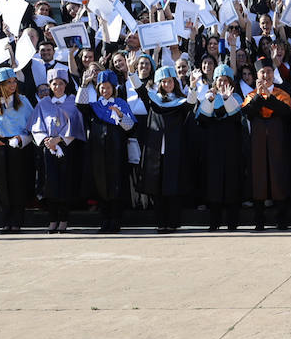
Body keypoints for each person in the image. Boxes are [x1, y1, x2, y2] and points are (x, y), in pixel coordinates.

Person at [78, 69, 136, 233]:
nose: (105, 90)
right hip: (98, 152)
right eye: (102, 87)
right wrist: (84, 84)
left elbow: (130, 127)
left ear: (114, 88)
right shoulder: (95, 106)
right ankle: (105, 219)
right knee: (101, 185)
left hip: (116, 152)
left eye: (108, 87)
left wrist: (119, 114)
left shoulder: (121, 104)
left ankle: (116, 219)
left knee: (116, 185)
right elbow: (80, 106)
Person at [140, 66, 197, 233]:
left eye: (170, 81)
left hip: (174, 150)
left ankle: (173, 222)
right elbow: (141, 92)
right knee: (157, 189)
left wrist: (193, 87)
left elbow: (191, 104)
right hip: (156, 150)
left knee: (173, 188)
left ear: (175, 82)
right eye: (164, 81)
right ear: (159, 83)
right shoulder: (154, 99)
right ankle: (160, 222)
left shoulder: (180, 101)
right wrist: (131, 73)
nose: (167, 84)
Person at [28, 69, 85, 233]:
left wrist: (59, 139)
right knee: (49, 185)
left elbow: (76, 126)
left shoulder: (73, 103)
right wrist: (47, 140)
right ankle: (52, 219)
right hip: (48, 149)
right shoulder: (43, 104)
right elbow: (36, 126)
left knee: (65, 184)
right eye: (54, 83)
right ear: (50, 86)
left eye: (61, 83)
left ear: (65, 85)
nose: (58, 86)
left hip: (66, 148)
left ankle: (64, 219)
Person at [242, 59, 291, 231]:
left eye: (269, 72)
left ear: (274, 74)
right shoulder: (250, 96)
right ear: (257, 75)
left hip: (277, 140)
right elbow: (248, 112)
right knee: (258, 177)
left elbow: (285, 111)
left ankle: (282, 219)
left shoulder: (282, 93)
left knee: (278, 175)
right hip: (257, 142)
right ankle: (259, 220)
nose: (266, 75)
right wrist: (259, 95)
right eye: (262, 72)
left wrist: (268, 96)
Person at [0, 68, 34, 234]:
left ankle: (17, 220)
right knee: (1, 185)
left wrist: (20, 139)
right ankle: (6, 220)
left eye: (14, 81)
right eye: (8, 82)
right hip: (0, 147)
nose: (12, 85)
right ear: (0, 85)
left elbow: (31, 126)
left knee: (17, 184)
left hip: (18, 147)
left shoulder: (23, 101)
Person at [197, 64, 245, 231]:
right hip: (213, 147)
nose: (223, 83)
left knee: (232, 183)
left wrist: (227, 99)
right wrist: (210, 102)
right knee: (214, 184)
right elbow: (202, 120)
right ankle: (214, 221)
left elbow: (239, 119)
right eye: (220, 80)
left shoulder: (237, 97)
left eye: (226, 80)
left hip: (232, 146)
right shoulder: (208, 97)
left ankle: (233, 222)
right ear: (215, 82)